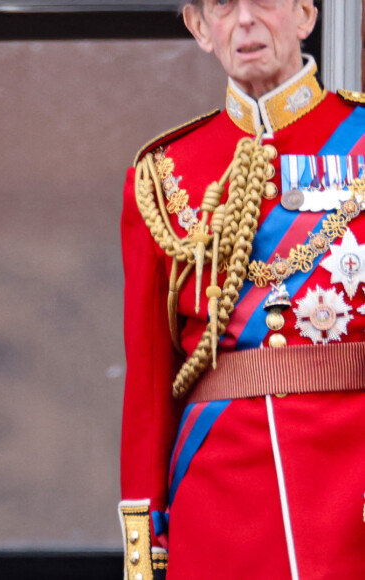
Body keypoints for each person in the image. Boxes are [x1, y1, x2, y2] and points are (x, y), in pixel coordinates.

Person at [119, 1, 365, 578]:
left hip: (349, 480)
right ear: (200, 28)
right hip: (217, 495)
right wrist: (146, 532)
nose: (246, 20)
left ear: (306, 14)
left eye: (266, 0)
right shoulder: (163, 174)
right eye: (224, 6)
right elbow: (150, 385)